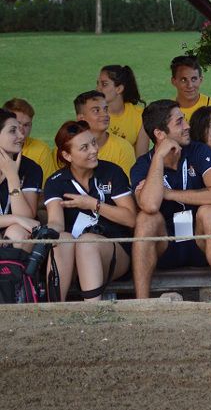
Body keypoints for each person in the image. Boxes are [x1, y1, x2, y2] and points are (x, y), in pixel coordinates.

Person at [131, 100, 211, 301]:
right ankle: (141, 303)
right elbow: (150, 205)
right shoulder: (142, 166)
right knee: (146, 219)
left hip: (200, 242)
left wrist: (170, 194)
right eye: (179, 122)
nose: (187, 126)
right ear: (160, 134)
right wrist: (159, 158)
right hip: (165, 246)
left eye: (184, 120)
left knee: (210, 211)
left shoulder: (198, 151)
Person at [44, 120, 136, 301]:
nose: (94, 150)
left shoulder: (112, 172)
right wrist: (46, 232)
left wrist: (93, 204)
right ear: (67, 155)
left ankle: (93, 311)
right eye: (84, 147)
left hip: (112, 252)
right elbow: (56, 223)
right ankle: (54, 311)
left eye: (93, 143)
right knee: (62, 238)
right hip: (73, 258)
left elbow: (131, 219)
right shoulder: (56, 182)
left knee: (87, 243)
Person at [0, 109, 42, 244]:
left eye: (20, 130)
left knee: (17, 232)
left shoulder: (31, 168)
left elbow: (26, 218)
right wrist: (15, 219)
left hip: (15, 235)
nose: (21, 136)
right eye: (13, 131)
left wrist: (12, 178)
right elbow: (21, 219)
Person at [73, 90, 136, 177]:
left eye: (105, 109)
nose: (105, 114)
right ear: (81, 119)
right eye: (96, 110)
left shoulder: (123, 148)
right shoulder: (68, 149)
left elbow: (126, 188)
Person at [96, 64, 149, 156]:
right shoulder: (92, 115)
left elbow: (141, 158)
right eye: (98, 84)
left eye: (104, 84)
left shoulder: (139, 115)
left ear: (119, 89)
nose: (98, 89)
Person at [3, 98, 58, 180]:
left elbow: (48, 189)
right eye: (17, 124)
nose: (21, 131)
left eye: (26, 125)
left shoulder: (41, 150)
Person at [169, 56, 211, 122]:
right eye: (183, 80)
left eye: (194, 79)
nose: (190, 85)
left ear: (200, 80)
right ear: (173, 81)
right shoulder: (166, 111)